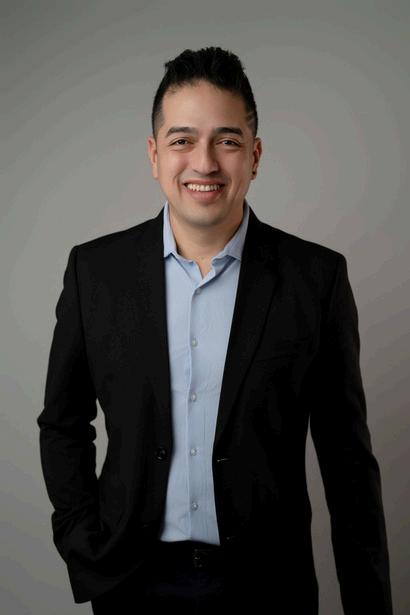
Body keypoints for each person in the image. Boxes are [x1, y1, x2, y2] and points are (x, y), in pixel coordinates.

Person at [37, 46, 393, 614]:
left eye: (226, 141)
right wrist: (82, 543)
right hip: (130, 583)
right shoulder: (94, 272)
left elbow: (348, 463)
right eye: (182, 140)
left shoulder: (315, 280)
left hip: (267, 589)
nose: (204, 163)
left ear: (254, 155)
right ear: (154, 155)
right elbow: (62, 422)